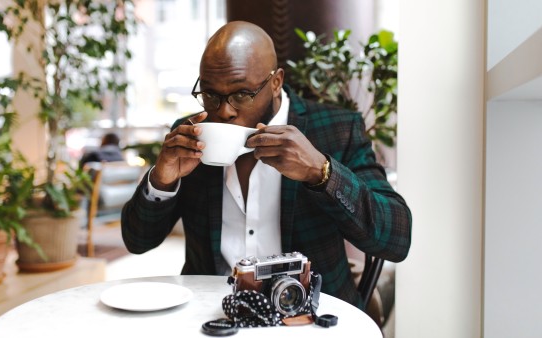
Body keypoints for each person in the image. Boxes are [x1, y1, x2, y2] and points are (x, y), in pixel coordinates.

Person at [121, 21, 411, 310]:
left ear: (276, 83)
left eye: (241, 95)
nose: (224, 111)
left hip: (309, 316)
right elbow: (138, 241)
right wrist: (162, 181)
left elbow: (396, 239)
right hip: (210, 313)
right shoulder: (189, 134)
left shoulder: (336, 130)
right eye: (210, 94)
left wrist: (321, 172)